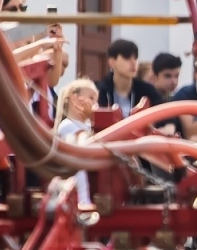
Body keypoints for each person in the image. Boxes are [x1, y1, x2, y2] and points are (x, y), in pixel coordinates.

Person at [54, 77, 98, 205]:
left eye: (96, 99)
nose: (95, 104)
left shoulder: (88, 125)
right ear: (74, 98)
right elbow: (87, 143)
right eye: (91, 98)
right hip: (77, 196)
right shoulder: (67, 125)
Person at [96, 39, 160, 117]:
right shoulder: (99, 90)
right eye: (127, 58)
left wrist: (169, 125)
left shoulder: (147, 91)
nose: (133, 63)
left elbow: (165, 115)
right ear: (112, 62)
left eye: (135, 58)